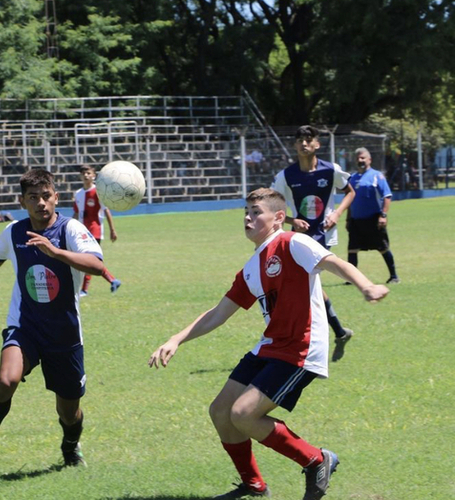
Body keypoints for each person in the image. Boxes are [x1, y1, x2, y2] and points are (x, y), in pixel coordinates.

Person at [148, 188, 389, 500]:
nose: (248, 217)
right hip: (270, 346)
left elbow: (334, 263)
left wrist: (367, 286)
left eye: (256, 211)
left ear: (278, 218)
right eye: (245, 212)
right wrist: (176, 338)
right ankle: (254, 485)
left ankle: (316, 460)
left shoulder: (293, 242)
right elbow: (219, 312)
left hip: (300, 349)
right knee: (221, 411)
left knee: (243, 414)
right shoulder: (252, 267)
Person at [0, 168, 105, 473]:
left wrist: (55, 251)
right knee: (6, 380)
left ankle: (70, 446)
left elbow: (96, 265)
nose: (41, 203)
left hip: (64, 333)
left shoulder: (70, 230)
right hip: (25, 326)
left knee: (69, 412)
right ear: (23, 201)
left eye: (46, 196)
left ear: (56, 197)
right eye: (33, 198)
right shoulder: (15, 232)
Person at [271, 125, 356, 362]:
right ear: (295, 145)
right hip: (299, 238)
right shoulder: (286, 176)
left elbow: (350, 191)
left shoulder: (331, 170)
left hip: (323, 235)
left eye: (309, 140)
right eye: (300, 140)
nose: (304, 144)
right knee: (309, 287)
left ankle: (303, 343)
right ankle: (337, 332)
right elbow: (270, 206)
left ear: (317, 144)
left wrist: (337, 213)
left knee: (305, 286)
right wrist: (291, 219)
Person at [346, 147, 399, 284]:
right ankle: (352, 280)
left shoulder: (377, 176)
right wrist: (348, 219)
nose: (360, 160)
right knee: (352, 250)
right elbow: (350, 199)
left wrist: (383, 215)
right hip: (356, 221)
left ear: (369, 160)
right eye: (358, 158)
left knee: (383, 247)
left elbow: (387, 196)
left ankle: (394, 276)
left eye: (363, 157)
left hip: (373, 220)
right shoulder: (352, 178)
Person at [72, 164, 121, 296]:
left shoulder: (98, 192)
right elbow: (76, 214)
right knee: (88, 261)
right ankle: (112, 280)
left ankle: (84, 290)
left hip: (95, 230)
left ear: (94, 176)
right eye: (83, 173)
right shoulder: (78, 194)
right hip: (82, 231)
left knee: (89, 260)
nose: (86, 175)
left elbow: (106, 211)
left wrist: (112, 230)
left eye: (88, 173)